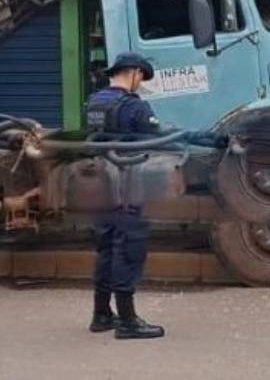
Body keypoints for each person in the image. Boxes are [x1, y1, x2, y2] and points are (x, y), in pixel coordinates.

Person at [85, 52, 165, 340]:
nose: (140, 84)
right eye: (141, 78)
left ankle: (101, 314)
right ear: (134, 73)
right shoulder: (135, 106)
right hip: (127, 182)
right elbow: (159, 137)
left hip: (98, 182)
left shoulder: (94, 102)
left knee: (106, 246)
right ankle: (128, 321)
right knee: (129, 247)